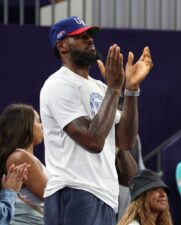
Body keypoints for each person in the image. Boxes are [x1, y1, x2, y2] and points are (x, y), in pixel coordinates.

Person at [40, 16, 153, 225]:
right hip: (73, 191)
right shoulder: (58, 84)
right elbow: (93, 141)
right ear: (62, 46)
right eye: (80, 37)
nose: (89, 40)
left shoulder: (100, 87)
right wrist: (114, 88)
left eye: (89, 35)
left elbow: (125, 141)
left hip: (104, 195)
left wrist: (131, 90)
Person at [0, 103, 48, 225]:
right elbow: (51, 197)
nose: (42, 126)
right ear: (25, 126)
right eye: (38, 121)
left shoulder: (25, 157)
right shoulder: (20, 158)